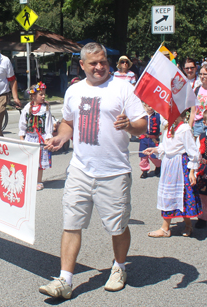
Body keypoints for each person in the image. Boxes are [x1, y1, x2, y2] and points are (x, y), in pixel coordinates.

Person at [39, 43, 147, 299]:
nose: (99, 67)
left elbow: (142, 125)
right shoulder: (74, 91)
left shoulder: (123, 88)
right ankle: (64, 280)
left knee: (117, 226)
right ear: (83, 65)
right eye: (93, 63)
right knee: (71, 223)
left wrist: (129, 126)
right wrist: (62, 139)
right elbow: (68, 122)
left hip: (114, 172)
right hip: (80, 170)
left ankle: (119, 268)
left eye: (103, 62)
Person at [144, 110, 201, 238]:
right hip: (168, 165)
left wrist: (192, 171)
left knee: (182, 195)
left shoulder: (184, 128)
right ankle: (166, 228)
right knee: (169, 195)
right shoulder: (169, 127)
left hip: (180, 166)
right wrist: (156, 149)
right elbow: (166, 146)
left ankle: (186, 225)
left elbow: (193, 152)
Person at [18, 82, 54, 191]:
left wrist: (48, 137)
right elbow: (22, 123)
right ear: (33, 96)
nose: (43, 96)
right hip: (30, 138)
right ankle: (29, 179)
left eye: (44, 94)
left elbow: (48, 124)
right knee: (29, 160)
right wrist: (22, 137)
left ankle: (39, 180)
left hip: (41, 138)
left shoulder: (45, 108)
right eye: (41, 94)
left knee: (39, 162)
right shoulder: (27, 108)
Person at [139, 102, 161, 178]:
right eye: (149, 106)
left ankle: (158, 167)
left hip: (154, 139)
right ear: (145, 105)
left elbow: (164, 122)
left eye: (152, 106)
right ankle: (144, 171)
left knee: (154, 155)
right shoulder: (142, 115)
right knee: (143, 156)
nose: (151, 108)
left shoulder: (158, 116)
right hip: (144, 138)